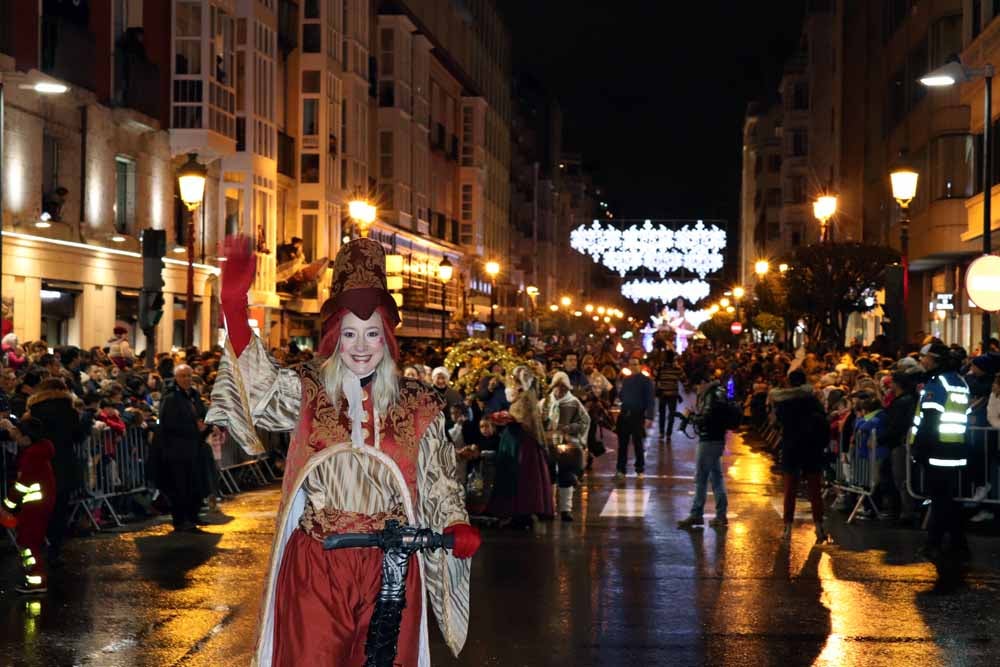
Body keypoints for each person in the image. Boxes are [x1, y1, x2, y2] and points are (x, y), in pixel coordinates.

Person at [206, 236, 477, 666]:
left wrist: (456, 522)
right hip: (318, 560)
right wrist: (235, 309)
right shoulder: (308, 392)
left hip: (391, 563)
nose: (361, 345)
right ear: (335, 336)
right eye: (350, 333)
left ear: (386, 337)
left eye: (372, 333)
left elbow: (439, 481)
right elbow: (257, 388)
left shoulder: (418, 404)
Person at [910, 343, 971, 561]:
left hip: (936, 448)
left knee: (939, 498)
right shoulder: (960, 382)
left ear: (934, 359)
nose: (921, 361)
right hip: (956, 447)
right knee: (949, 498)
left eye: (923, 357)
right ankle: (958, 543)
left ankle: (933, 543)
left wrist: (919, 448)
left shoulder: (937, 384)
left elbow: (930, 420)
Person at [25, 377, 85, 563]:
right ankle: (55, 547)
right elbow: (78, 436)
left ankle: (36, 546)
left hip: (41, 462)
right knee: (60, 507)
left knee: (40, 506)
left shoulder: (34, 410)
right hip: (64, 462)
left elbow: (29, 435)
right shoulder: (69, 410)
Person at [486, 365, 554, 527]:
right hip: (515, 440)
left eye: (516, 380)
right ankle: (517, 512)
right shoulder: (522, 395)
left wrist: (504, 416)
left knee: (522, 477)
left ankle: (522, 513)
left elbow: (521, 417)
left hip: (522, 443)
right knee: (515, 476)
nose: (513, 382)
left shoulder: (526, 396)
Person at [0, 417, 56, 594]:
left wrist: (7, 506)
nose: (14, 436)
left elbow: (22, 484)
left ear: (27, 436)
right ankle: (33, 578)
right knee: (30, 540)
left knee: (28, 542)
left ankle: (35, 580)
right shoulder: (40, 451)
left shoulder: (32, 454)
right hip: (40, 502)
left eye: (18, 433)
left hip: (34, 504)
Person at [770, 370, 828, 541]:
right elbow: (822, 422)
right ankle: (819, 527)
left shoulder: (784, 402)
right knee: (814, 490)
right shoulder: (813, 401)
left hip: (791, 448)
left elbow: (776, 423)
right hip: (812, 449)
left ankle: (787, 528)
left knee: (790, 490)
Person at [158, 364, 212, 532]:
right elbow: (169, 424)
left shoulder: (194, 395)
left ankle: (193, 516)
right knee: (180, 486)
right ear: (176, 378)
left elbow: (203, 415)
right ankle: (181, 520)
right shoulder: (171, 398)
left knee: (195, 483)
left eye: (189, 376)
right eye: (183, 376)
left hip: (195, 447)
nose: (187, 379)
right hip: (177, 450)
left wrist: (205, 426)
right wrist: (194, 428)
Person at [677, 373, 729, 529]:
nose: (696, 390)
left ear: (703, 382)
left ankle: (696, 514)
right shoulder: (720, 393)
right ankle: (720, 515)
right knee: (716, 477)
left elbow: (706, 419)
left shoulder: (710, 395)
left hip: (708, 441)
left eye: (697, 386)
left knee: (701, 478)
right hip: (717, 440)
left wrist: (691, 417)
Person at [541, 371, 591, 521]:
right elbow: (537, 422)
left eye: (563, 387)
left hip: (567, 444)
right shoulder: (545, 402)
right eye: (557, 387)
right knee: (548, 475)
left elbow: (585, 421)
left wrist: (570, 429)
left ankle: (565, 509)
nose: (560, 390)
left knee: (567, 476)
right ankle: (549, 508)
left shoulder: (574, 402)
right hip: (549, 443)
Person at [615, 357, 654, 480]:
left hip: (637, 415)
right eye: (631, 364)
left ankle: (640, 469)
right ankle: (621, 469)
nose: (633, 367)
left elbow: (650, 400)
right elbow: (621, 396)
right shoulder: (626, 380)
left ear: (640, 366)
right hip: (625, 414)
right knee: (623, 444)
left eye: (635, 364)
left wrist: (649, 416)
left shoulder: (646, 381)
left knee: (638, 443)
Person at [654, 349, 685, 442]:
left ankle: (661, 433)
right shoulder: (677, 368)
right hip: (673, 395)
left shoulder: (660, 367)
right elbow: (684, 379)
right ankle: (668, 434)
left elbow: (654, 375)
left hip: (663, 394)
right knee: (671, 415)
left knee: (662, 415)